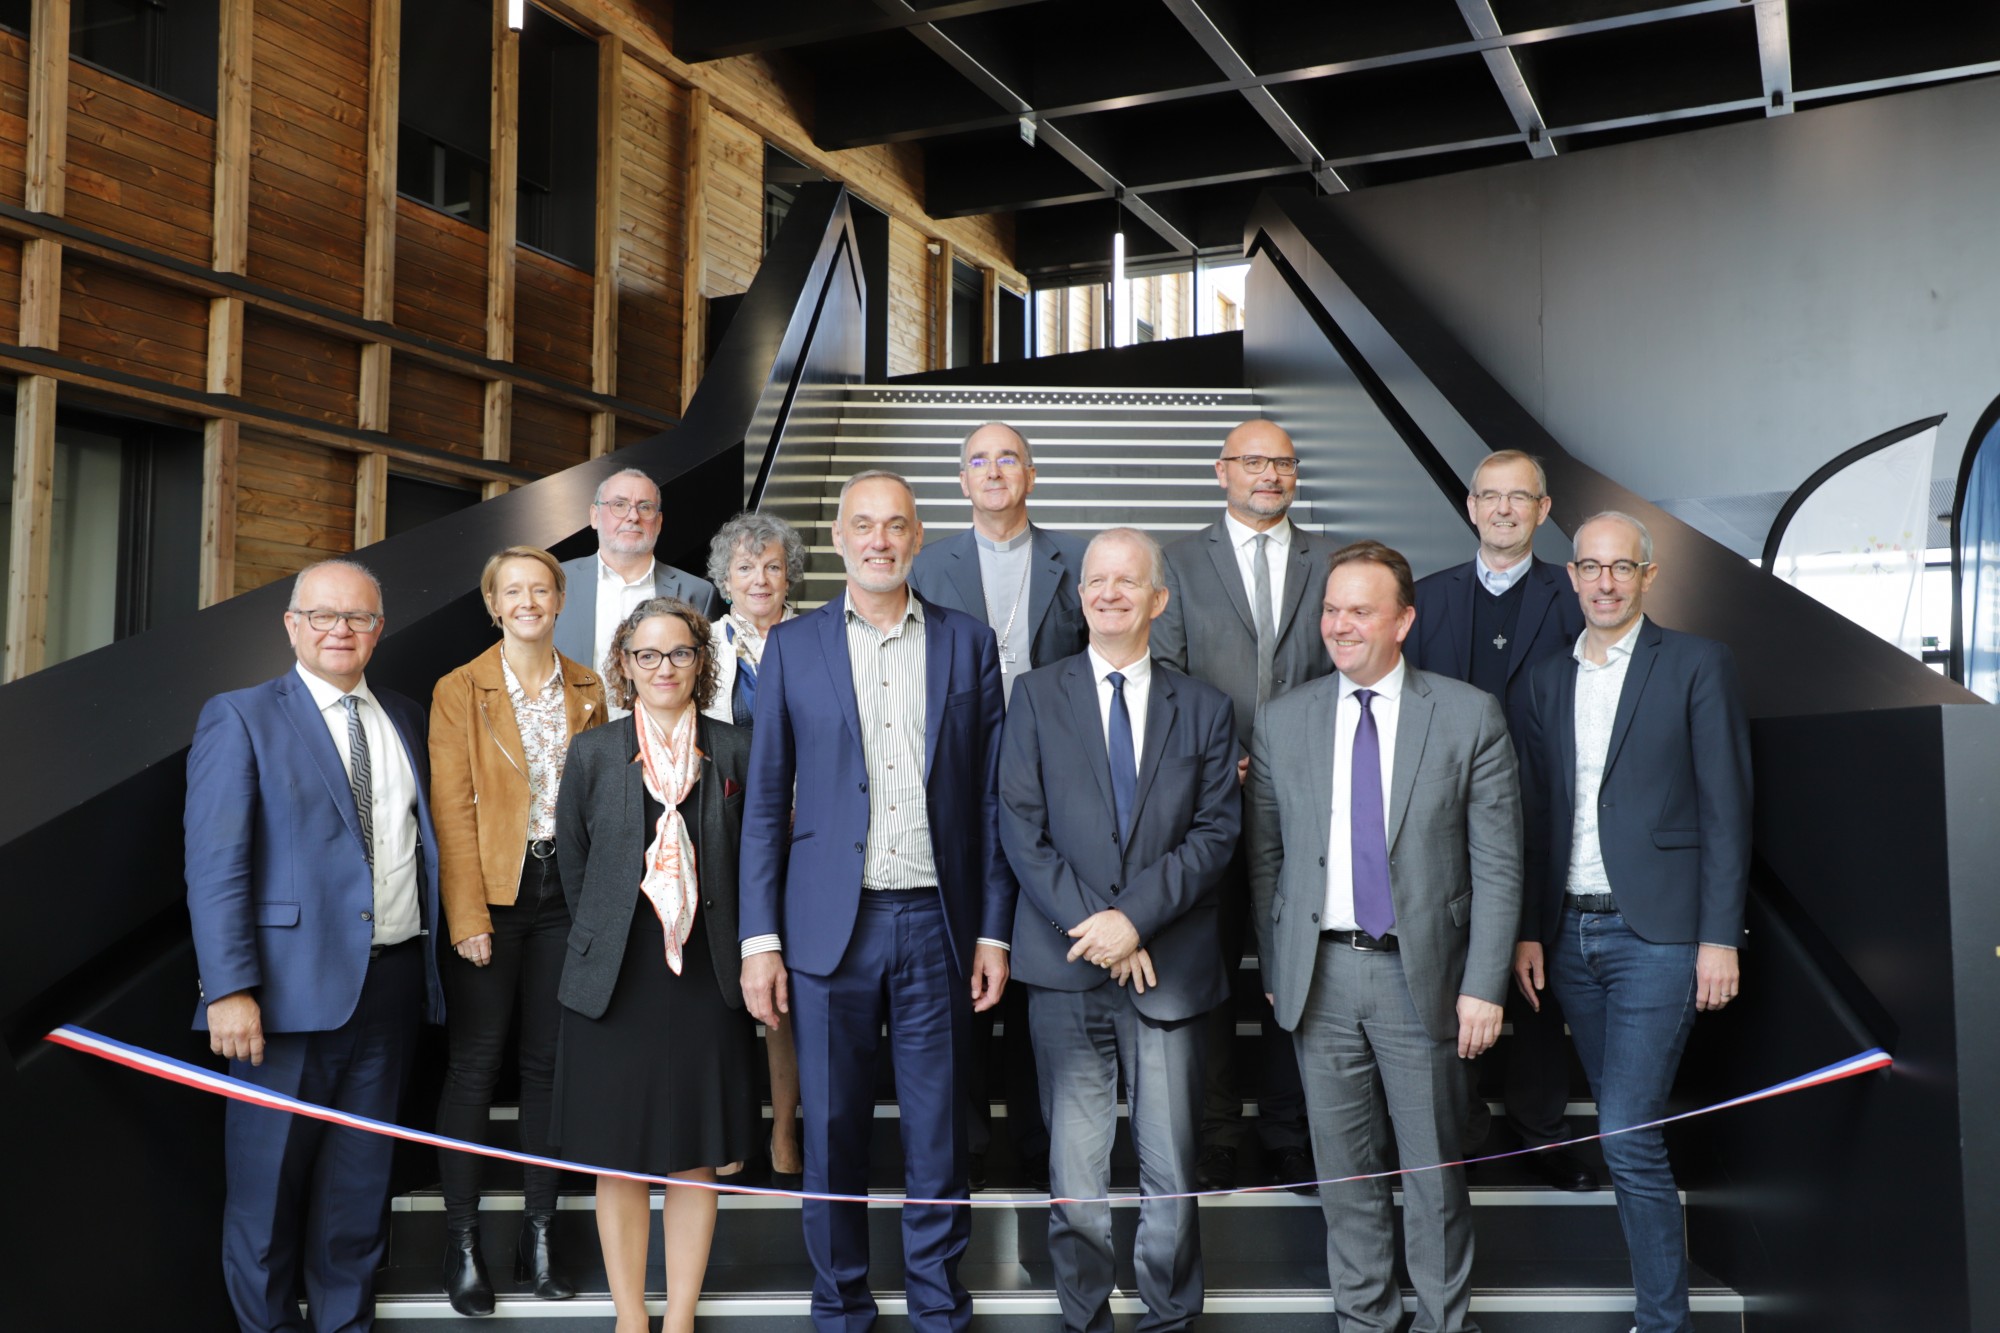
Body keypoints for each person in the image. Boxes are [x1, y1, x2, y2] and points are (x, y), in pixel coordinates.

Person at [738, 470, 1014, 1333]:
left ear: (918, 536)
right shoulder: (793, 645)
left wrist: (994, 932)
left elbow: (991, 802)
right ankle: (841, 1305)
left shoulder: (969, 643)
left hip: (937, 921)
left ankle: (938, 1304)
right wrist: (759, 937)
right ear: (840, 539)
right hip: (829, 929)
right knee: (831, 1131)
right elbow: (765, 802)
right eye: (864, 524)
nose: (880, 539)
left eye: (896, 525)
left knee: (936, 1132)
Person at [1246, 539, 1522, 1333]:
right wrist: (1279, 962)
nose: (1339, 625)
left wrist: (1483, 984)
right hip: (1321, 976)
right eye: (1331, 609)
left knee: (1434, 1174)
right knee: (1346, 1176)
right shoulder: (1283, 719)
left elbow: (1499, 865)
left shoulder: (1468, 713)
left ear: (1403, 619)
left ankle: (1442, 1321)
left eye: (1359, 610)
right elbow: (1266, 859)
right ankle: (1365, 1321)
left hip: (1424, 978)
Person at [185, 558, 445, 1333]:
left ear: (379, 629)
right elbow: (215, 863)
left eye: (359, 617)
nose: (341, 629)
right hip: (282, 1002)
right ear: (292, 626)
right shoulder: (240, 715)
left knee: (357, 1198)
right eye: (324, 616)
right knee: (265, 1201)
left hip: (393, 989)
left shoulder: (405, 715)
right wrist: (229, 987)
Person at [998, 527, 1239, 1333]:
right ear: (1079, 595)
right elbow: (1021, 829)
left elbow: (1213, 834)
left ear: (1157, 600)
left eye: (1127, 582)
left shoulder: (1205, 707)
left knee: (1171, 1169)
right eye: (1097, 580)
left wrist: (1133, 919)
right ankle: (1085, 1316)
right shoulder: (1034, 695)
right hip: (1067, 968)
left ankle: (1170, 1316)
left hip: (1165, 965)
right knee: (1077, 1169)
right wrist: (1095, 925)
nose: (1109, 593)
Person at [1514, 512, 1751, 1333]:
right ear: (1571, 575)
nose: (1605, 581)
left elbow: (1727, 809)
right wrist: (1528, 931)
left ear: (1648, 575)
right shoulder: (1545, 678)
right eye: (1590, 566)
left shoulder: (1695, 663)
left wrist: (1719, 936)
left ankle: (1663, 1321)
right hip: (1569, 936)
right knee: (1629, 1132)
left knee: (1626, 1132)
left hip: (1658, 936)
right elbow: (1537, 815)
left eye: (1622, 566)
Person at [551, 597, 758, 1333]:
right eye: (647, 654)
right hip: (618, 972)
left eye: (679, 653)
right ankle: (630, 1314)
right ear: (625, 663)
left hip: (707, 969)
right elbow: (575, 867)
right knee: (619, 1156)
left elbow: (757, 859)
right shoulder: (595, 751)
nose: (663, 667)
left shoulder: (736, 749)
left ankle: (680, 1316)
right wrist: (611, 931)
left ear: (701, 663)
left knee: (695, 1155)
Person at [1404, 450, 1595, 1191]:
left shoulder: (1575, 596)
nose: (1505, 509)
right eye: (1491, 496)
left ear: (1544, 512)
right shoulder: (1425, 598)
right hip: (1439, 819)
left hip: (1549, 813)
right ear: (1470, 505)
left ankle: (1542, 1131)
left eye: (1521, 498)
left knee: (1538, 973)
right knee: (1445, 968)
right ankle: (1459, 1126)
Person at [428, 545, 606, 1314]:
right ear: (493, 604)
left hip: (566, 893)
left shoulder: (591, 685)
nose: (528, 600)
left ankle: (540, 1236)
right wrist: (466, 913)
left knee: (548, 1067)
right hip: (494, 896)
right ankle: (462, 1241)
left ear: (561, 599)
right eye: (513, 590)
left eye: (541, 588)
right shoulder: (458, 688)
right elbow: (452, 806)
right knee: (474, 1064)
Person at [908, 420, 1086, 1189]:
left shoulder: (1075, 560)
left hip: (1058, 784)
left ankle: (1042, 1137)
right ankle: (972, 1139)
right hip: (962, 779)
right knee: (966, 954)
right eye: (978, 460)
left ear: (1031, 474)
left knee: (1042, 958)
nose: (993, 470)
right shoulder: (928, 562)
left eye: (1007, 457)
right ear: (962, 479)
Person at [1151, 418, 1327, 1191]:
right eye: (1254, 461)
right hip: (1210, 800)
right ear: (1220, 470)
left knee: (1302, 964)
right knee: (1212, 971)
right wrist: (1223, 757)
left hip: (1309, 803)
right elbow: (1165, 670)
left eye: (1283, 462)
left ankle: (1293, 1129)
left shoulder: (1333, 563)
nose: (1270, 474)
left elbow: (1346, 663)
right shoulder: (1178, 562)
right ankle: (1219, 1131)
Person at [702, 511, 807, 1187]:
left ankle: (785, 1126)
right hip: (722, 831)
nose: (759, 578)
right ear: (724, 578)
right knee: (721, 985)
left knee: (787, 991)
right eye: (745, 567)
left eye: (771, 565)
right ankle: (728, 1124)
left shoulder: (822, 634)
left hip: (805, 836)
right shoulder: (700, 644)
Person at [553, 466, 723, 716]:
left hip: (663, 737)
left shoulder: (697, 593)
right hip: (573, 735)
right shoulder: (556, 582)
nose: (633, 516)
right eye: (619, 505)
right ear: (594, 515)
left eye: (645, 507)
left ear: (659, 521)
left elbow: (706, 682)